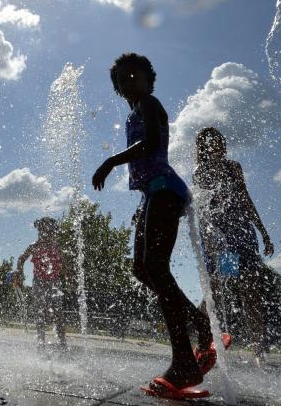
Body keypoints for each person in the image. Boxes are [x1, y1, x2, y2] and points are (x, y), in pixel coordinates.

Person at [92, 52, 214, 399]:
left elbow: (151, 146)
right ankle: (200, 325)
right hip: (154, 193)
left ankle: (184, 363)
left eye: (135, 76)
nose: (128, 83)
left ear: (148, 79)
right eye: (121, 80)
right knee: (142, 269)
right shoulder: (135, 108)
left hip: (165, 189)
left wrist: (110, 161)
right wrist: (142, 204)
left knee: (155, 267)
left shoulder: (149, 102)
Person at [193, 127, 274, 364]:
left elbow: (245, 198)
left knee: (251, 293)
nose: (217, 147)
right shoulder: (201, 172)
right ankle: (204, 342)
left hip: (242, 235)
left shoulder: (233, 167)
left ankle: (259, 351)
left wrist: (263, 231)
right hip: (221, 239)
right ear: (204, 149)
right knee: (218, 291)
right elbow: (201, 209)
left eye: (219, 142)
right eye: (211, 144)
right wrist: (208, 243)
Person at [12, 217, 67, 349]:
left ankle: (63, 344)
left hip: (54, 283)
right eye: (42, 230)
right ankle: (41, 343)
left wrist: (67, 274)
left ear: (53, 231)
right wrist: (20, 273)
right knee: (41, 312)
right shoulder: (35, 246)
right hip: (39, 282)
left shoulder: (56, 246)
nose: (45, 233)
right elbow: (21, 258)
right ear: (40, 231)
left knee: (58, 314)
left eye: (49, 230)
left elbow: (64, 263)